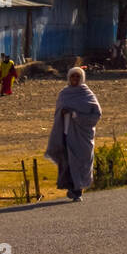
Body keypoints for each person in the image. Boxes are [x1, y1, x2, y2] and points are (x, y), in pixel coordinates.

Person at [45, 66, 102, 201]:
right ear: (69, 78)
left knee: (81, 161)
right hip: (65, 133)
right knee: (67, 162)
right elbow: (57, 112)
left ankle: (78, 189)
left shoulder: (87, 94)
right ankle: (72, 188)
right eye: (73, 76)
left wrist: (75, 115)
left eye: (77, 76)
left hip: (82, 136)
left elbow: (96, 115)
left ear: (82, 78)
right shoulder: (64, 93)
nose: (75, 79)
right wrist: (63, 113)